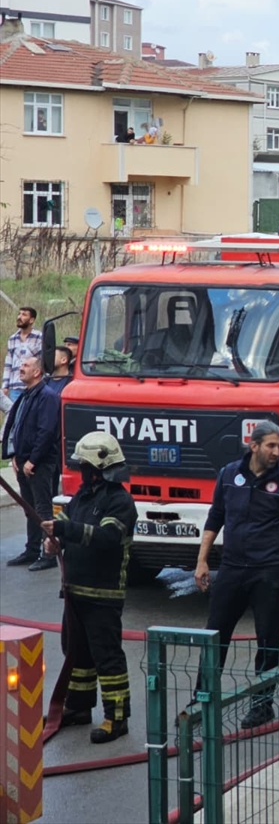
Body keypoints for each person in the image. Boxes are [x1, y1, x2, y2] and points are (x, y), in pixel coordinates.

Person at [194, 422, 279, 729]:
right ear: (253, 446)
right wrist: (202, 560)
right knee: (214, 635)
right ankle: (201, 701)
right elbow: (215, 518)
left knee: (268, 640)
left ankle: (261, 705)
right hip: (232, 569)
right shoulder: (229, 475)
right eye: (271, 445)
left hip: (269, 572)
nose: (277, 452)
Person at [39, 431, 136, 743]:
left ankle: (116, 717)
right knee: (75, 652)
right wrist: (53, 542)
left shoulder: (120, 501)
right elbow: (66, 528)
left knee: (107, 656)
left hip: (103, 595)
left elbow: (107, 538)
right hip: (75, 590)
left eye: (84, 465)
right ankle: (78, 707)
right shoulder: (82, 496)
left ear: (99, 466)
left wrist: (65, 528)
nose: (81, 470)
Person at [3, 357, 62, 571]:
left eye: (26, 366)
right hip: (23, 460)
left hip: (40, 463)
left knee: (43, 508)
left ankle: (49, 553)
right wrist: (14, 455)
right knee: (29, 508)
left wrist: (32, 460)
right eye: (21, 365)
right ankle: (32, 549)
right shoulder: (25, 396)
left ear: (37, 372)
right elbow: (16, 426)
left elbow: (46, 432)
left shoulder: (47, 397)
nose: (21, 368)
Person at [3, 306, 42, 403]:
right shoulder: (12, 338)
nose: (19, 317)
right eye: (19, 314)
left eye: (24, 315)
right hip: (15, 386)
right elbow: (8, 364)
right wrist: (5, 385)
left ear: (31, 320)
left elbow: (43, 361)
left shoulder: (39, 337)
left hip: (32, 385)